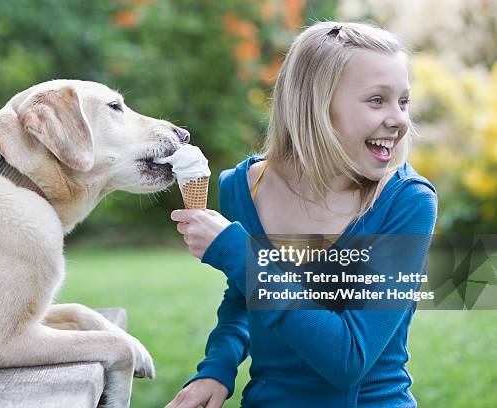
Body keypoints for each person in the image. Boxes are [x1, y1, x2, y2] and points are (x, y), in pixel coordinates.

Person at [165, 21, 438, 408]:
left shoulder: (407, 202)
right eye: (377, 100)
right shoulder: (243, 188)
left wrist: (239, 255)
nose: (398, 119)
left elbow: (348, 359)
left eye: (403, 101)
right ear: (315, 105)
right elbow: (245, 300)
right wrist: (217, 367)